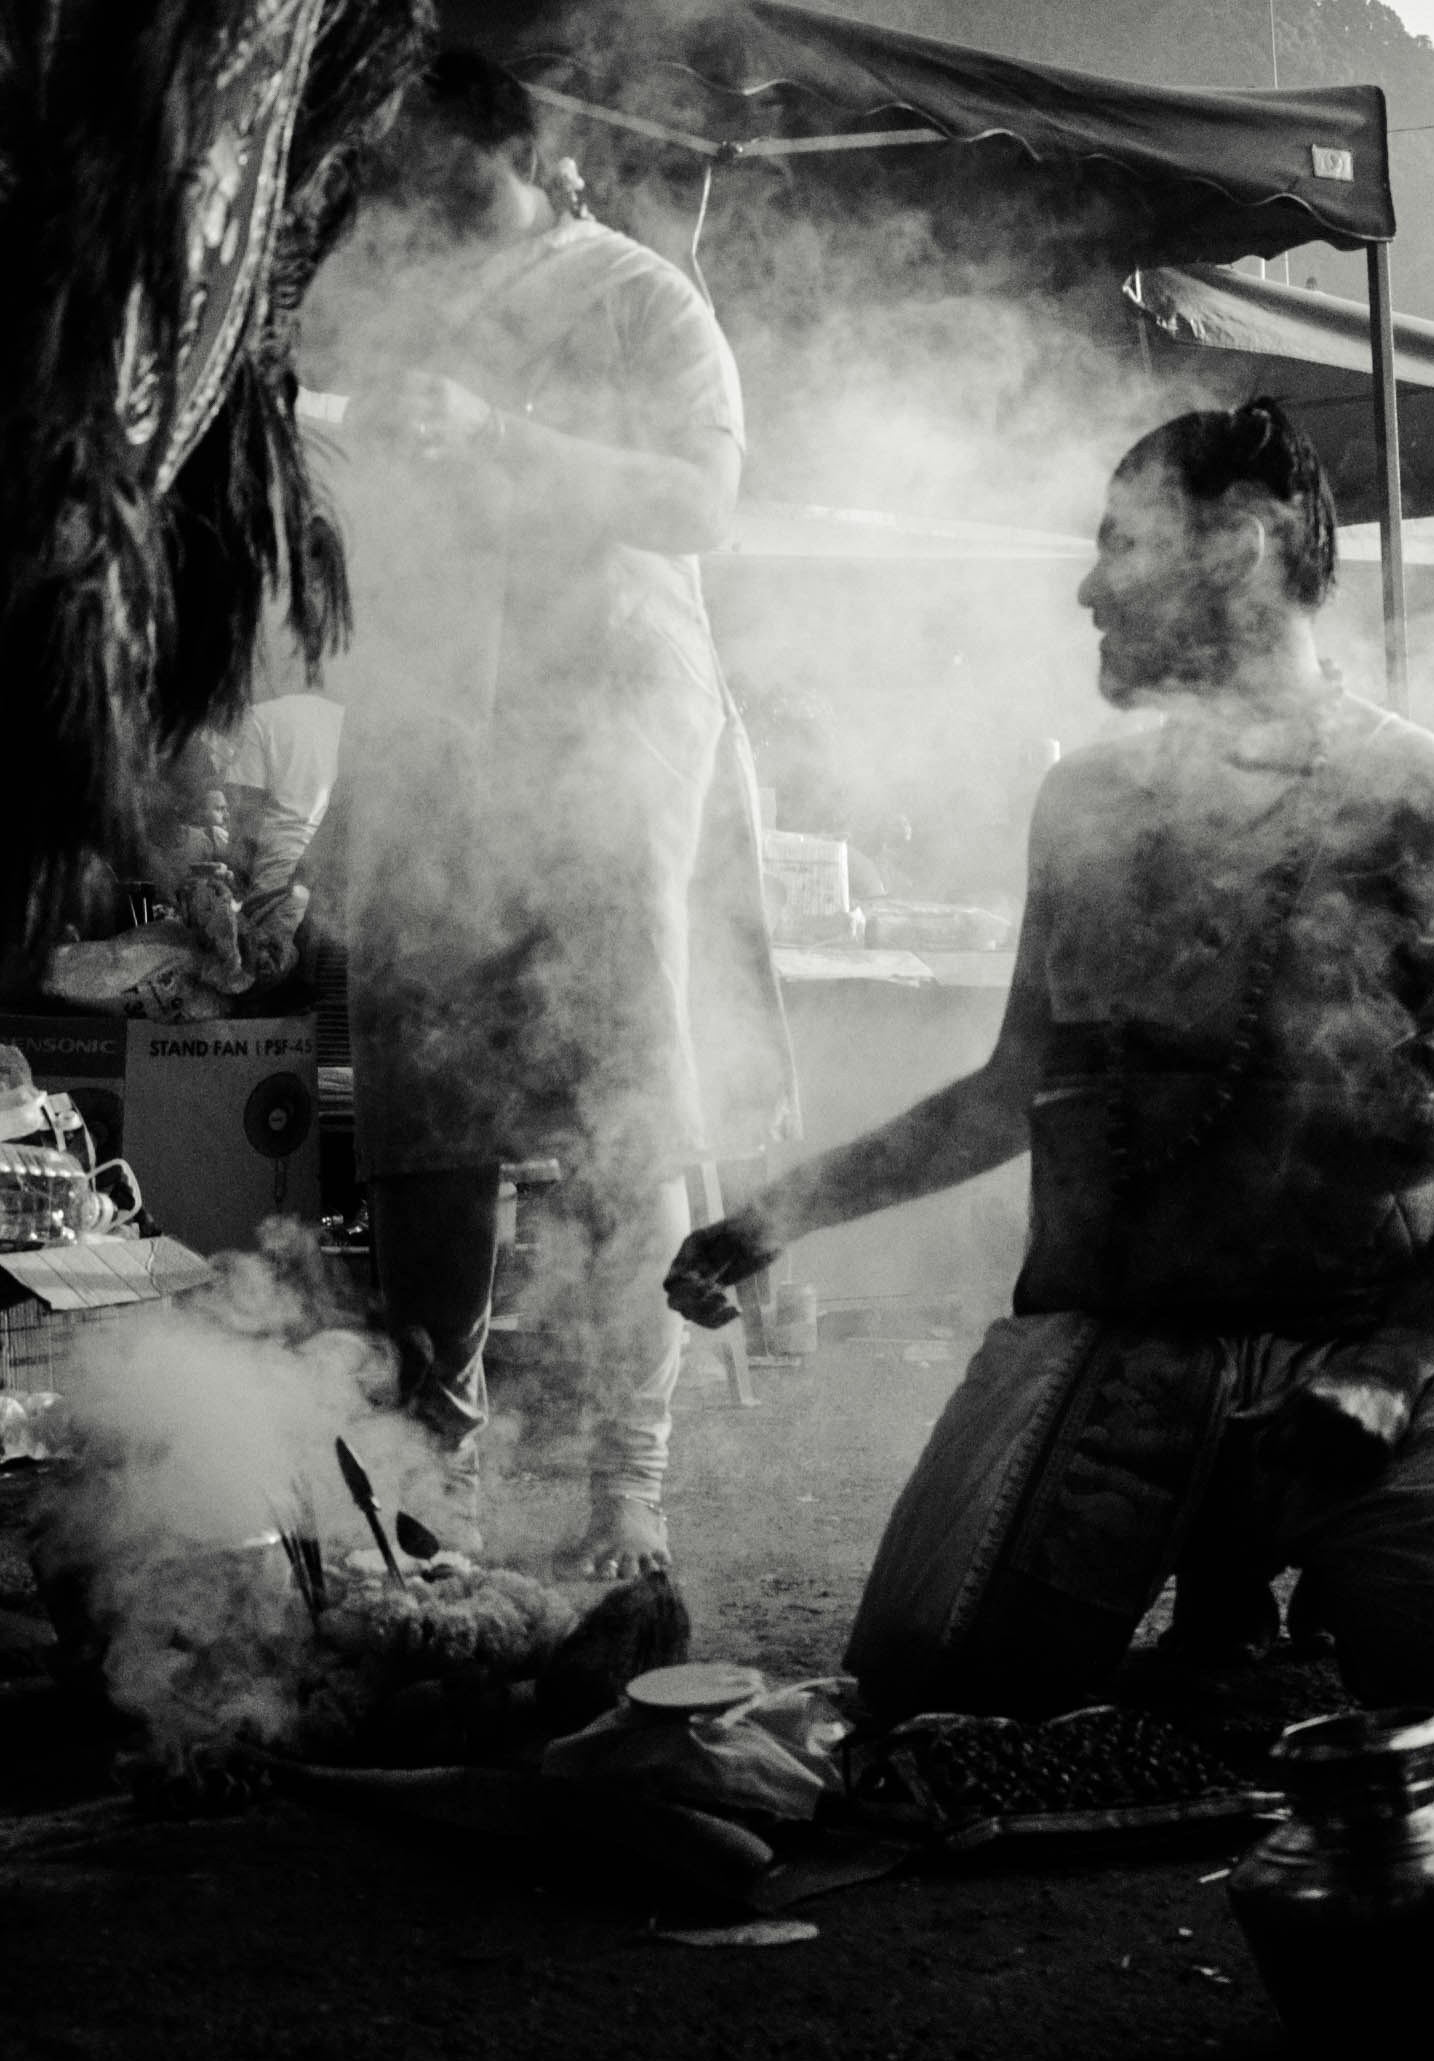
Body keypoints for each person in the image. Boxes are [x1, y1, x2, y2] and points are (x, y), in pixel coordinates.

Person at [664, 400, 1434, 1716]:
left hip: (1361, 1342)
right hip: (1115, 1351)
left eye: (1117, 544)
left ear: (1237, 546)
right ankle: (1221, 1594)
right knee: (925, 1700)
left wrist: (1391, 1367)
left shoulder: (1422, 795)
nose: (1086, 586)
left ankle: (1306, 1579)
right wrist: (785, 1208)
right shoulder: (1085, 806)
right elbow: (1013, 1090)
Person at [309, 52, 775, 1578]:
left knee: (621, 1103)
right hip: (431, 734)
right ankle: (438, 1475)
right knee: (421, 1112)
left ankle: (624, 1488)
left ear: (493, 154)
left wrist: (507, 441)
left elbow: (703, 508)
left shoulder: (640, 299)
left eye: (419, 175)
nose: (399, 207)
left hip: (610, 726)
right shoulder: (382, 308)